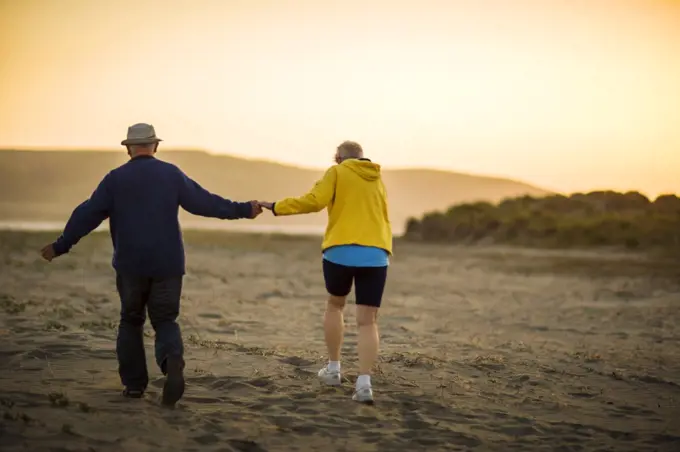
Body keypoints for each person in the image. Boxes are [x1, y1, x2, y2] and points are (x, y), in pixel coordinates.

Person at [39, 123, 262, 406]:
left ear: (129, 148)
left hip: (131, 264)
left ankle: (134, 387)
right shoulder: (171, 174)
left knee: (131, 321)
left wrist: (61, 245)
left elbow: (87, 214)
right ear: (155, 146)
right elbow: (206, 203)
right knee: (165, 320)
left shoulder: (115, 179)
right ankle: (171, 362)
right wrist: (244, 209)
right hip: (168, 263)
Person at [259, 140, 392, 404]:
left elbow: (314, 201)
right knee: (368, 321)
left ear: (338, 158)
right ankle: (364, 383)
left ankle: (333, 369)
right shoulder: (377, 178)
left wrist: (275, 206)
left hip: (340, 250)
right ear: (363, 158)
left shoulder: (337, 172)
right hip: (376, 254)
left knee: (335, 306)